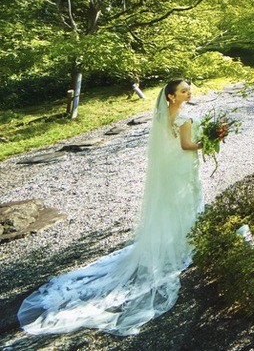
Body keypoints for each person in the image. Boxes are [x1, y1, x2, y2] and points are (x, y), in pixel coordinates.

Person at [18, 79, 203, 336]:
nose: (188, 93)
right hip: (182, 164)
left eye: (188, 89)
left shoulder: (164, 114)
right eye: (183, 91)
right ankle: (186, 241)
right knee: (186, 200)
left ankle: (178, 239)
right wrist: (208, 141)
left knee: (174, 204)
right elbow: (186, 145)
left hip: (172, 167)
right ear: (171, 97)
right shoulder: (184, 118)